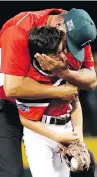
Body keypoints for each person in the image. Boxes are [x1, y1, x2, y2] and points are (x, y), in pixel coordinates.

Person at [0, 7, 96, 177]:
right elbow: (12, 88)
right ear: (59, 24)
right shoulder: (19, 31)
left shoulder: (75, 30)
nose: (68, 53)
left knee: (86, 163)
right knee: (12, 173)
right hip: (1, 103)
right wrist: (59, 91)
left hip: (40, 104)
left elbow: (92, 82)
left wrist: (65, 73)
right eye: (68, 45)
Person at [17, 24, 96, 177]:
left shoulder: (65, 70)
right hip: (39, 134)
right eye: (57, 53)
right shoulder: (28, 80)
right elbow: (26, 120)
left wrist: (78, 137)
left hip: (65, 127)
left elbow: (75, 104)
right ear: (41, 56)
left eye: (62, 49)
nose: (63, 56)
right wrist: (57, 137)